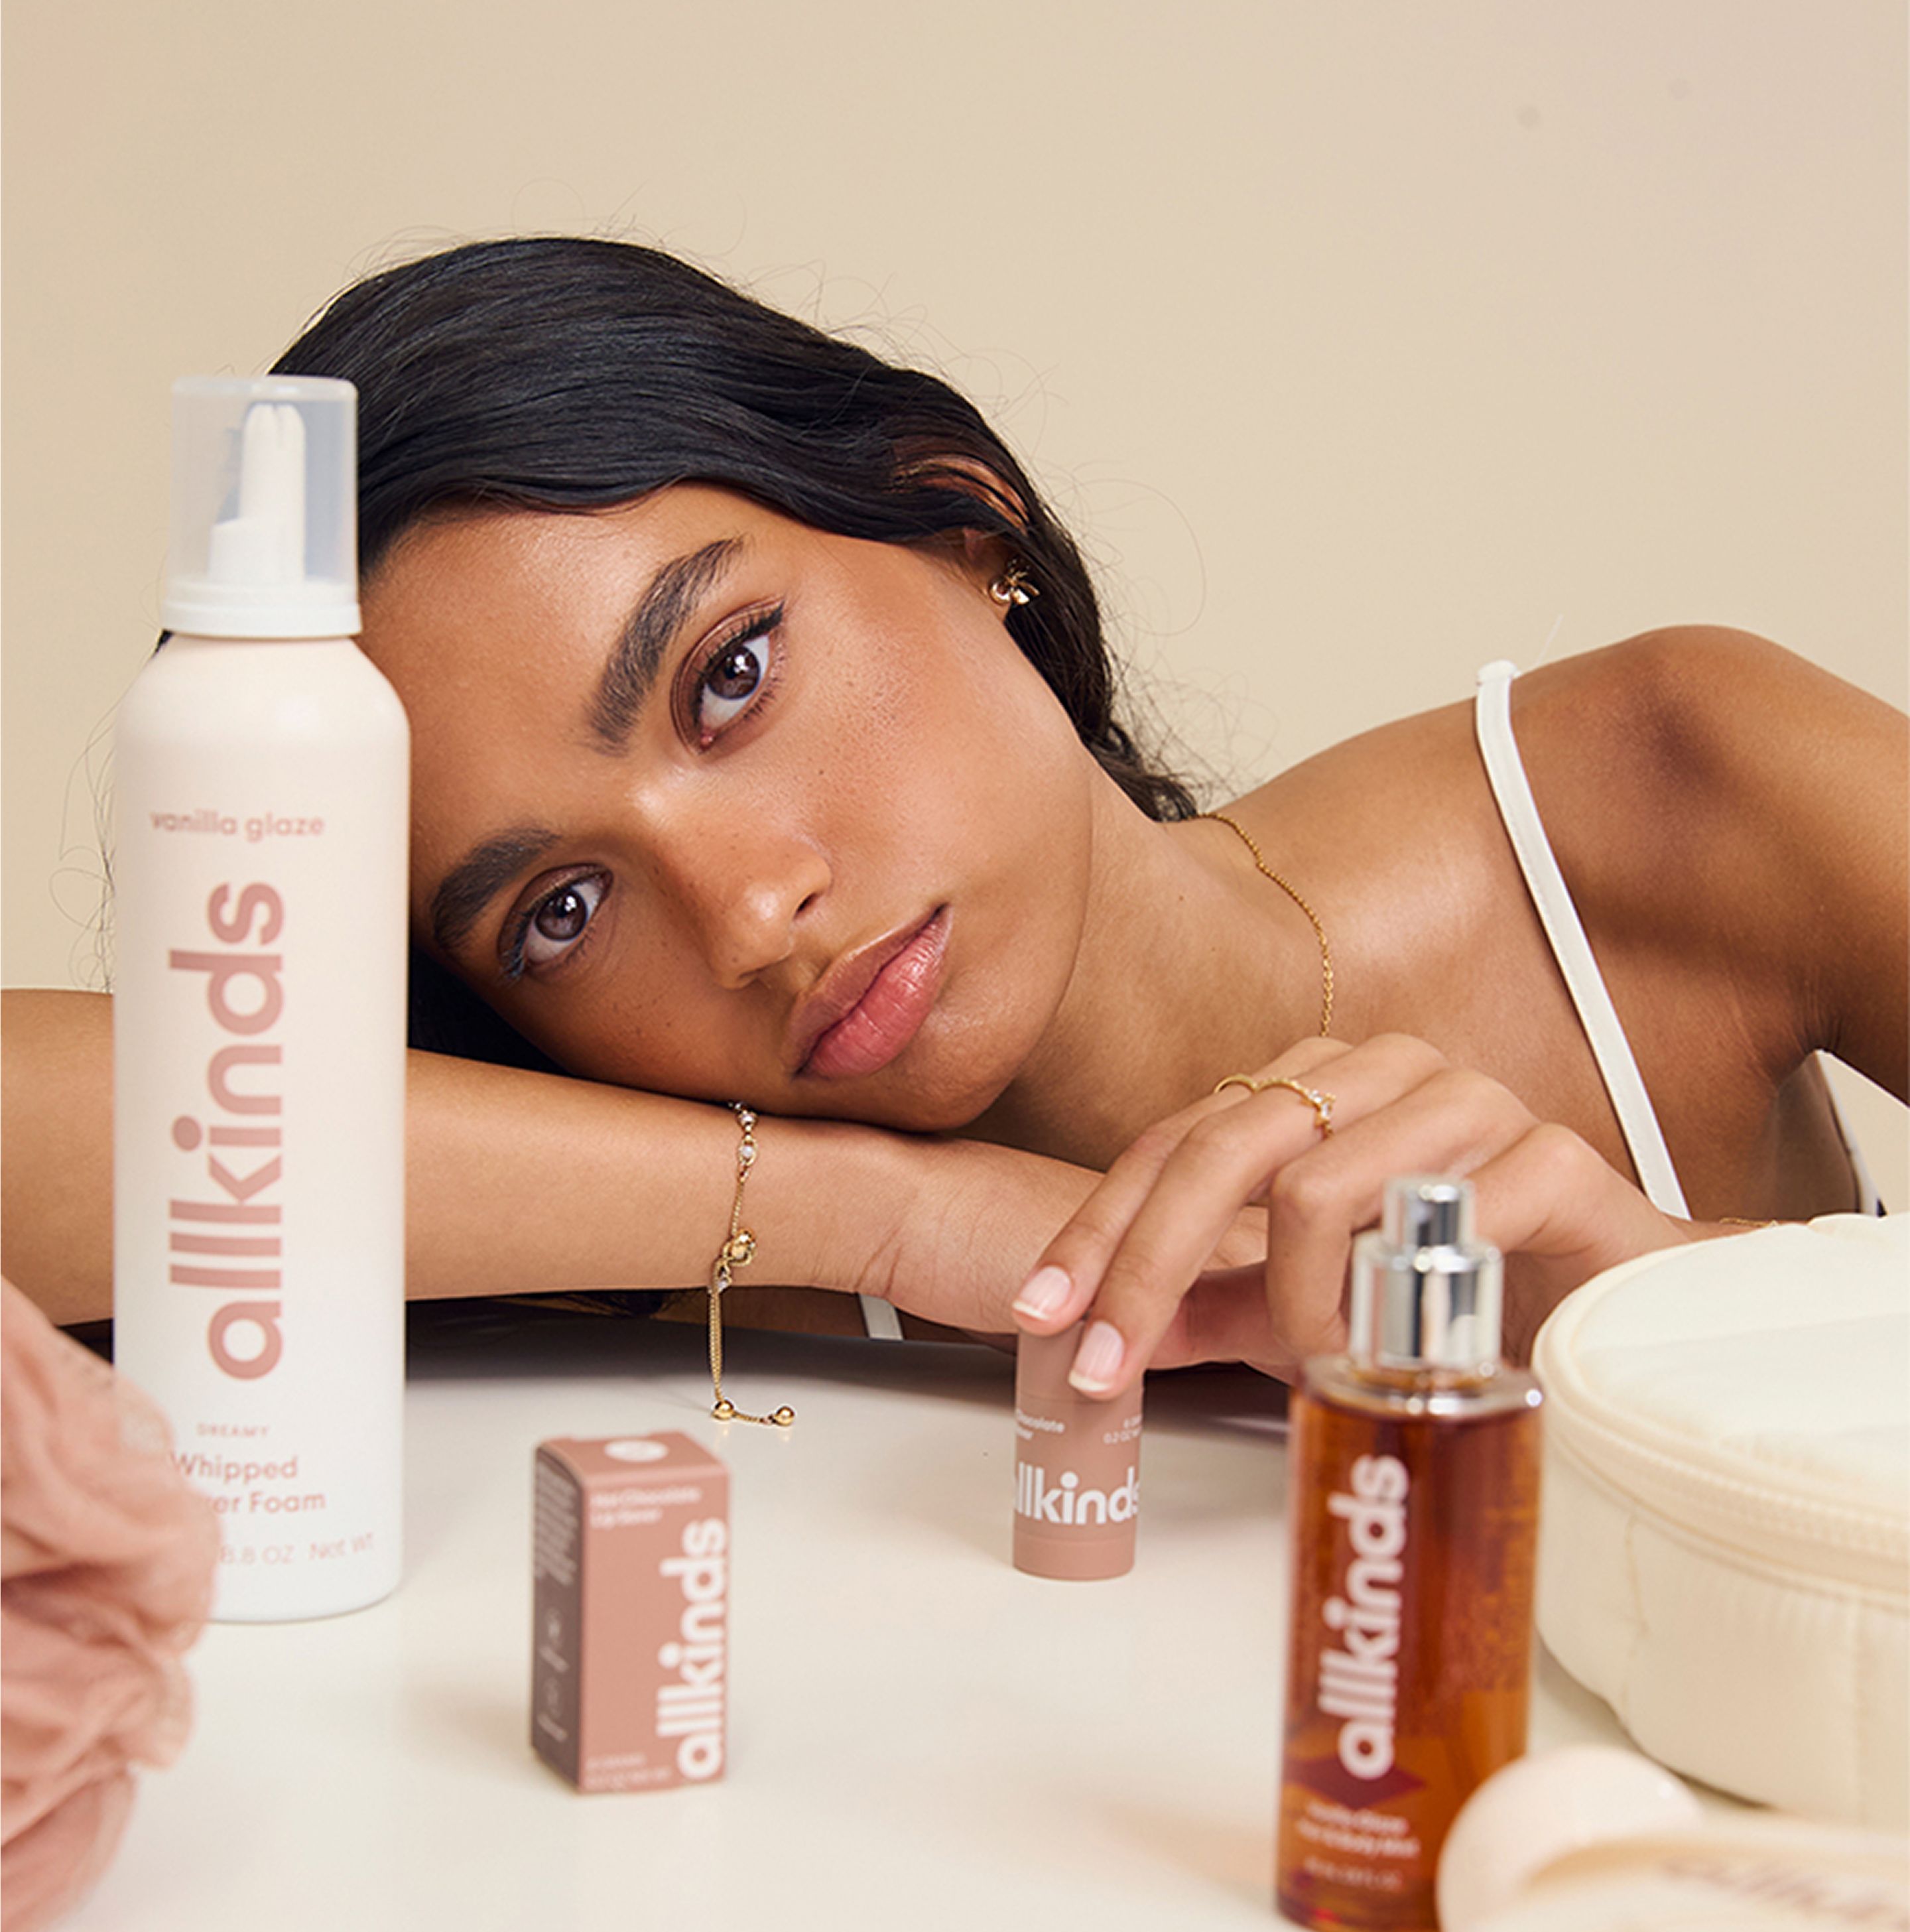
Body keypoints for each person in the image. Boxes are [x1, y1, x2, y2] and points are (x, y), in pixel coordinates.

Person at [5, 237, 1904, 1401]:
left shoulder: (1662, 793)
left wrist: (1655, 1329)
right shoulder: (689, 1248)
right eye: (560, 913)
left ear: (960, 514)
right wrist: (892, 1215)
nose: (749, 916)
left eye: (730, 673)